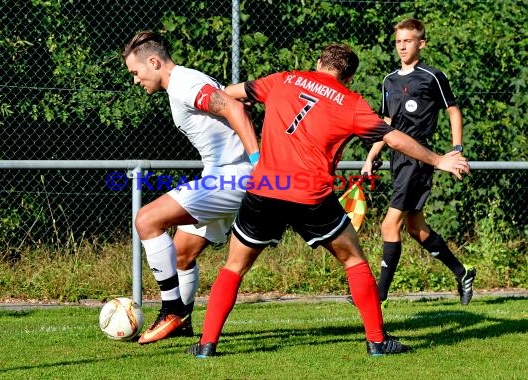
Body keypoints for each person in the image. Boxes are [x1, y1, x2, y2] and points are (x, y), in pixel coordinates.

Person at [186, 44, 470, 358]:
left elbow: (229, 94)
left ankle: (206, 344)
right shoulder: (350, 102)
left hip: (266, 187)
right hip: (310, 194)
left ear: (318, 62)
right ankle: (376, 342)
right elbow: (392, 137)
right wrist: (437, 159)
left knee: (234, 266)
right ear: (348, 76)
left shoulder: (284, 79)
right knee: (354, 261)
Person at [120, 30, 260, 344]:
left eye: (136, 72)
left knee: (146, 219)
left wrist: (257, 161)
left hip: (231, 176)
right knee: (182, 254)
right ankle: (181, 321)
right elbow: (230, 100)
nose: (135, 80)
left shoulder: (183, 84)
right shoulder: (187, 80)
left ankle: (171, 309)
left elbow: (233, 110)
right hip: (224, 174)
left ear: (153, 62)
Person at [361, 18, 476, 307]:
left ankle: (380, 294)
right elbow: (386, 124)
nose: (402, 46)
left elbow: (453, 111)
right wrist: (371, 156)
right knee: (416, 227)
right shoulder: (389, 80)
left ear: (420, 44)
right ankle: (463, 272)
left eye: (408, 41)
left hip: (419, 159)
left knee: (389, 226)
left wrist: (457, 150)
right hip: (397, 158)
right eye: (398, 41)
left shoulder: (432, 76)